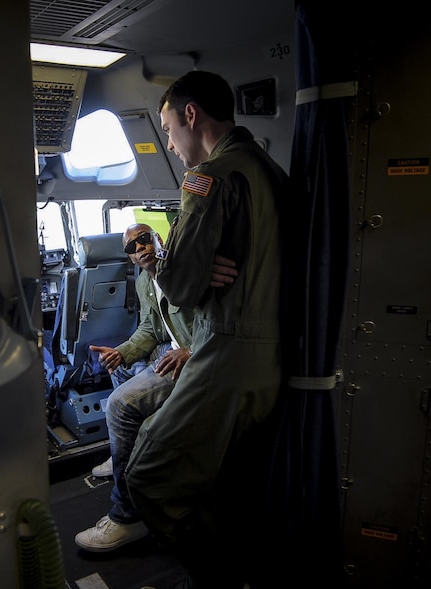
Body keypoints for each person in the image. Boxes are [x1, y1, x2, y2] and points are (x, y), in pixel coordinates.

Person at [124, 70, 289, 586]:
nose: (170, 143)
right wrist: (200, 266)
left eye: (169, 128)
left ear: (191, 115)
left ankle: (214, 574)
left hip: (226, 355)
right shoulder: (271, 170)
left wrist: (174, 264)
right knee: (225, 484)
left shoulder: (209, 179)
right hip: (272, 360)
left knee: (146, 473)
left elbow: (179, 288)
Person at [74, 222, 196, 552]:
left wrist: (191, 351)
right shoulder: (145, 282)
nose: (140, 247)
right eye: (132, 247)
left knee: (118, 404)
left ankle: (128, 515)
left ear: (159, 240)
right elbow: (148, 329)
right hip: (167, 351)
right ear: (130, 258)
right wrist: (122, 352)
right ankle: (122, 457)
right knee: (119, 368)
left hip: (192, 362)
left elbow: (216, 322)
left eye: (145, 239)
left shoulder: (187, 270)